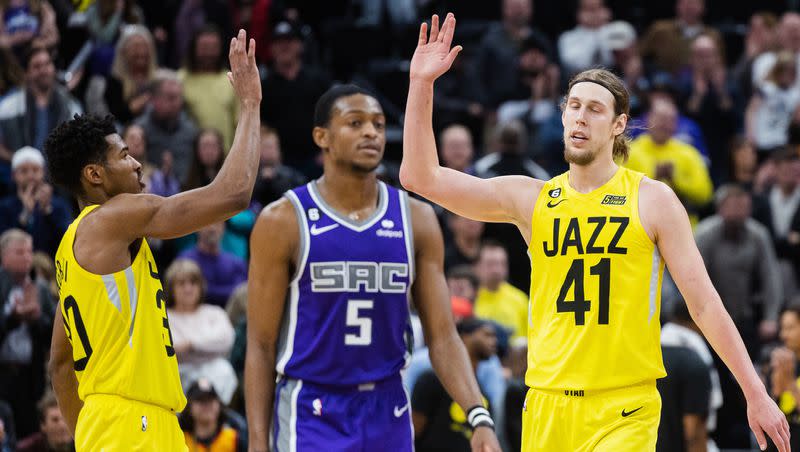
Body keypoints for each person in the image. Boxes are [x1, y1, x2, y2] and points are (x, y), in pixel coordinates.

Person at [401, 13, 790, 451]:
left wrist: (755, 393)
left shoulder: (651, 199)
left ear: (619, 124)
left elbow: (704, 304)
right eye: (573, 106)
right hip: (547, 404)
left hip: (624, 408)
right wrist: (422, 83)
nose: (580, 118)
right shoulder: (532, 199)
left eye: (595, 109)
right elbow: (420, 177)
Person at [245, 84, 501, 452]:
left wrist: (478, 416)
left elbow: (443, 336)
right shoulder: (283, 220)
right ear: (322, 137)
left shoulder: (417, 218)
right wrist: (257, 441)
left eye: (379, 125)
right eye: (355, 123)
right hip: (313, 408)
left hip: (389, 408)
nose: (371, 132)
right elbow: (261, 343)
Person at [46, 29, 261, 451]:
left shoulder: (70, 251)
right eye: (124, 155)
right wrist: (250, 105)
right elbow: (232, 194)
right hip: (134, 419)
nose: (138, 163)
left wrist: (89, 433)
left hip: (120, 421)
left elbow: (59, 364)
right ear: (94, 175)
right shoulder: (118, 215)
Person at [412, 317, 496, 452]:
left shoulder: (483, 392)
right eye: (486, 334)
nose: (493, 341)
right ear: (464, 336)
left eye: (494, 336)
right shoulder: (430, 380)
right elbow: (414, 431)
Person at [164, 259, 237, 404]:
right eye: (181, 283)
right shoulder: (164, 315)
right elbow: (166, 348)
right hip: (179, 372)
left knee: (224, 370)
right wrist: (206, 344)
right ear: (171, 287)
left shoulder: (214, 312)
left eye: (193, 282)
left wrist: (191, 345)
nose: (188, 288)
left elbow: (226, 339)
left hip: (214, 370)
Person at [0, 146, 71, 257]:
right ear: (14, 175)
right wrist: (25, 214)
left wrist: (48, 211)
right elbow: (4, 246)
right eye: (24, 171)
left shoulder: (58, 206)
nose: (30, 176)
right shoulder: (5, 207)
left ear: (43, 172)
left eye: (35, 170)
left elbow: (68, 240)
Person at [179, 378, 245, 452]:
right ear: (189, 407)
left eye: (210, 399)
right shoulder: (181, 440)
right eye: (200, 400)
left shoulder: (234, 439)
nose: (206, 404)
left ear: (219, 404)